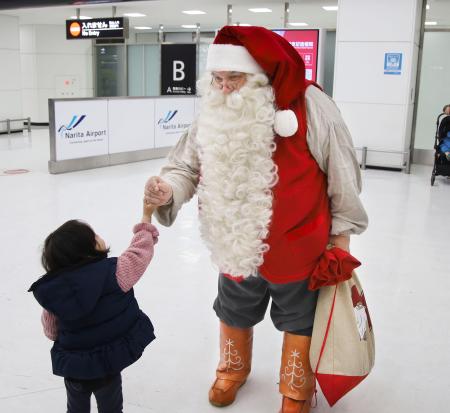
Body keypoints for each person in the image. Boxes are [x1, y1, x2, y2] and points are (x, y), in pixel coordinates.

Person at [145, 26, 368, 413]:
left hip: (299, 244)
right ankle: (232, 369)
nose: (225, 87)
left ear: (261, 76)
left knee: (300, 319)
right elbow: (185, 164)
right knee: (233, 309)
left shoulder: (311, 105)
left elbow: (342, 171)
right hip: (234, 239)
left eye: (235, 78)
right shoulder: (214, 111)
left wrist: (342, 236)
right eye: (218, 79)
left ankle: (297, 388)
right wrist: (169, 188)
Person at [28, 199, 159, 413]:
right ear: (88, 250)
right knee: (111, 406)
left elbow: (51, 332)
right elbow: (140, 252)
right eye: (94, 235)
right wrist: (146, 217)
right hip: (107, 364)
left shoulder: (54, 293)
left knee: (76, 406)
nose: (99, 236)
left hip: (74, 366)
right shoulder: (115, 272)